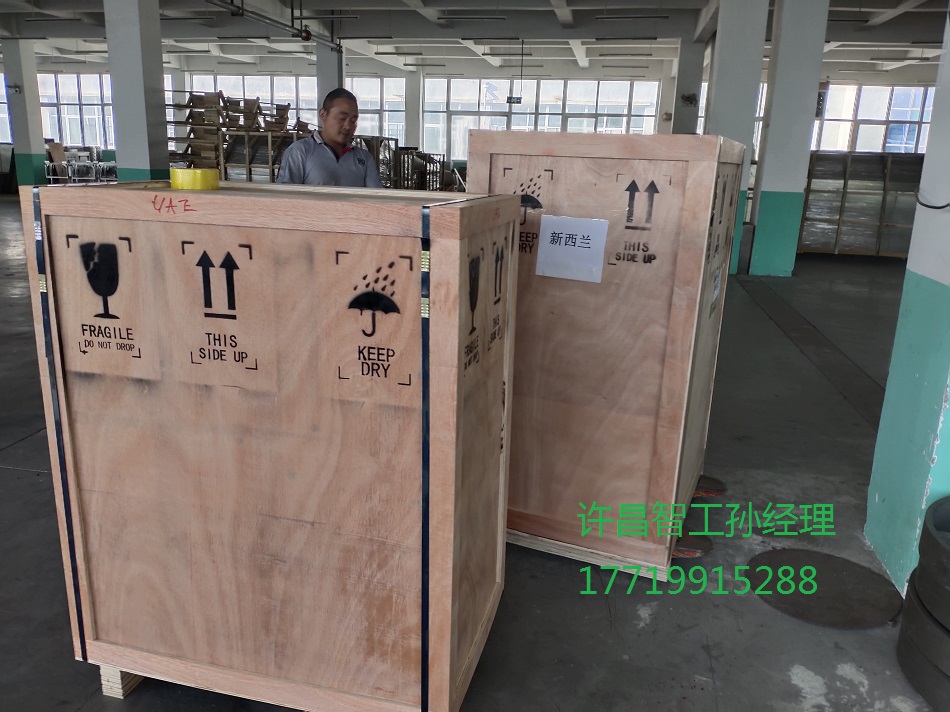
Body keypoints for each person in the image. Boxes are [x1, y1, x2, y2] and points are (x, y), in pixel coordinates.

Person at [276, 88, 383, 188]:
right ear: (323, 114)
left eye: (353, 120)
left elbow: (376, 197)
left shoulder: (364, 158)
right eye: (342, 118)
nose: (348, 126)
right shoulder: (299, 152)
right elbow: (284, 197)